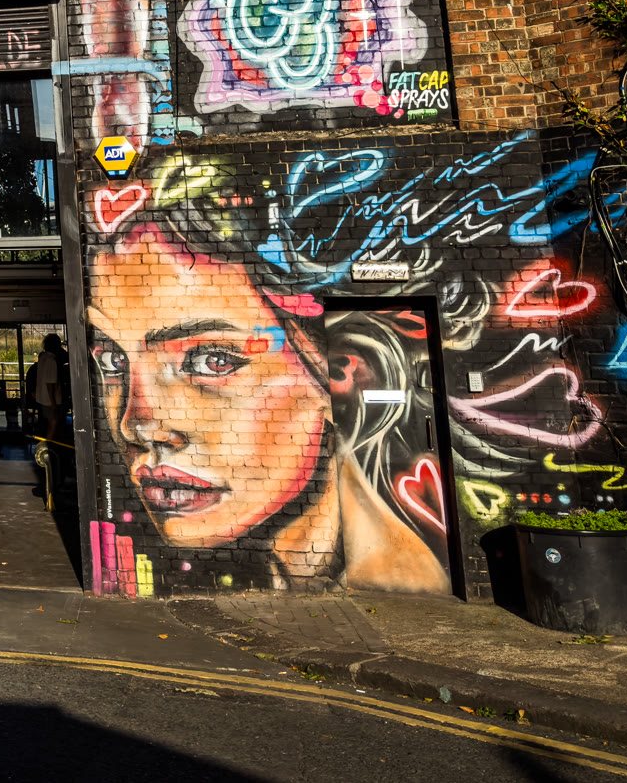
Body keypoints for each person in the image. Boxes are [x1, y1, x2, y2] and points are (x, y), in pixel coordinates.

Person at [88, 159, 446, 593]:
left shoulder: (400, 583)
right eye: (114, 362)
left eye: (212, 361)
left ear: (338, 373)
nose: (138, 425)